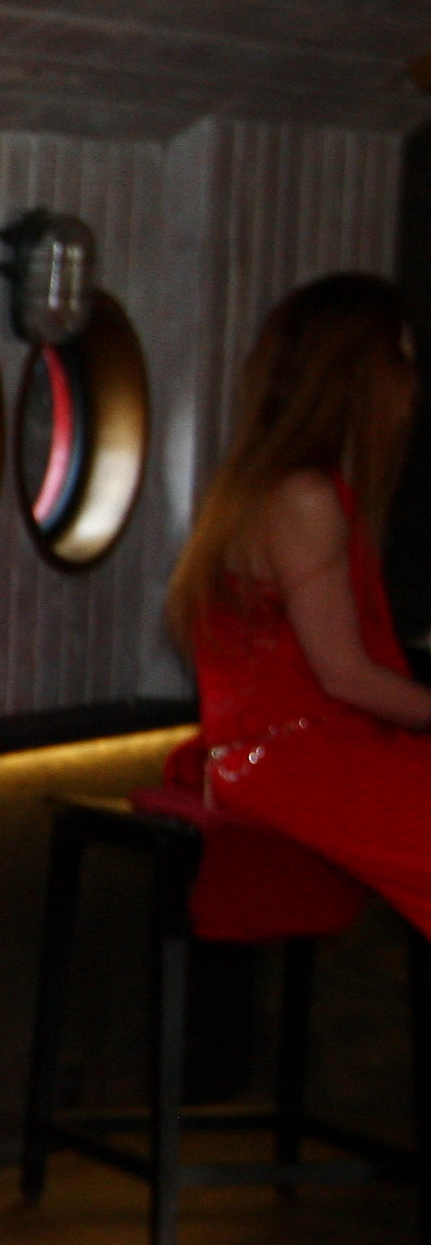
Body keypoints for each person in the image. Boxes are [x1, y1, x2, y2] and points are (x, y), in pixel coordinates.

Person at [169, 272, 431, 924]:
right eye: (402, 360)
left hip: (293, 754)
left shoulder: (273, 487)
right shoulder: (304, 497)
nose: (413, 383)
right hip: (292, 761)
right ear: (361, 376)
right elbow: (343, 674)